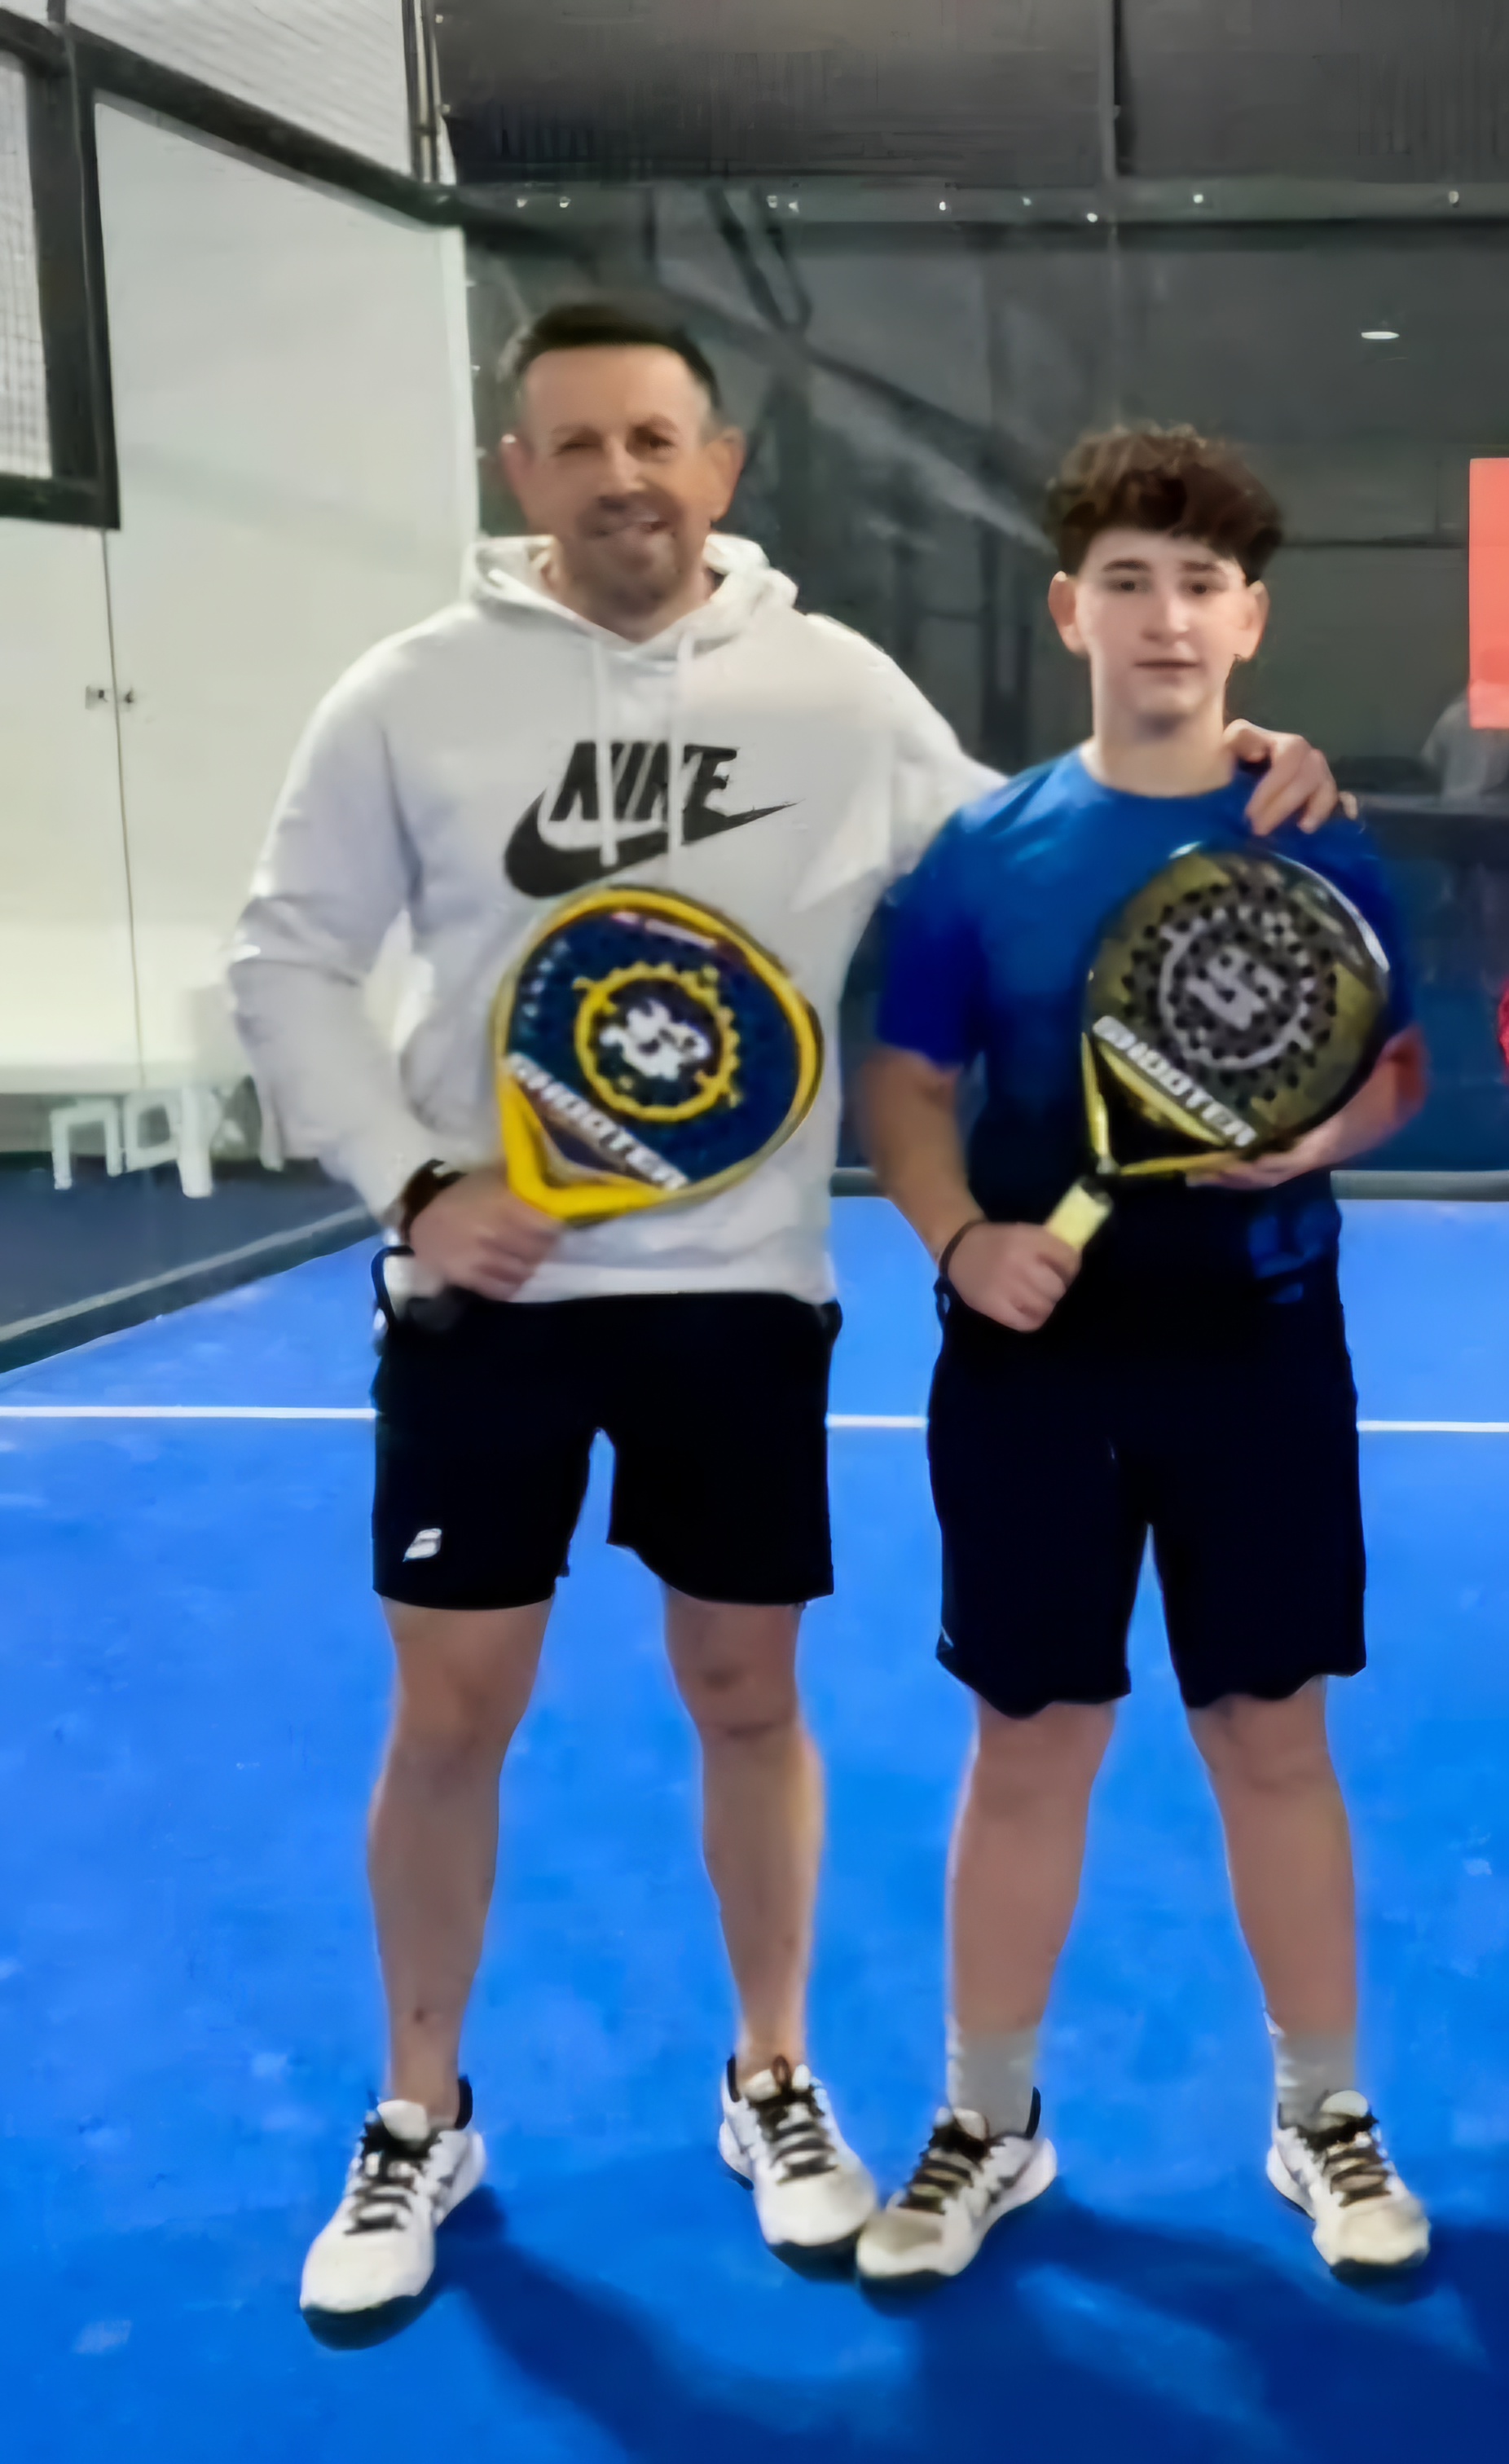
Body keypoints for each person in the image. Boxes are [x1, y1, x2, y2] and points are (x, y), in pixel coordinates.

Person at [229, 307, 1347, 2319]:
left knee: (748, 1697)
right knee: (451, 1710)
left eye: (654, 438)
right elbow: (290, 957)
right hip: (487, 1297)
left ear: (720, 467)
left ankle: (772, 2080)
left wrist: (1223, 777)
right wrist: (412, 1184)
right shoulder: (406, 695)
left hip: (739, 1300)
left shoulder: (833, 691)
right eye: (576, 444)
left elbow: (1033, 859)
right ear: (519, 474)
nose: (620, 476)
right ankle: (416, 2114)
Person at [857, 425, 1432, 2286]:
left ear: (1246, 622)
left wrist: (1315, 1137)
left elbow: (1393, 1067)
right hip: (1030, 1366)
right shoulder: (982, 853)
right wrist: (962, 1241)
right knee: (1028, 1740)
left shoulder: (1308, 832)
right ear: (1067, 610)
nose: (1164, 616)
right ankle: (986, 2123)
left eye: (1199, 585)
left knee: (1270, 1734)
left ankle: (1320, 2114)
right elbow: (906, 1083)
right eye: (1127, 581)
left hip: (1257, 1347)